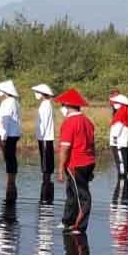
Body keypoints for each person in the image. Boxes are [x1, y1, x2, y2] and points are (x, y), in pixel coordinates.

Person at [55, 88, 96, 234]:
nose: (62, 108)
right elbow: (92, 144)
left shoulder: (69, 122)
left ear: (67, 106)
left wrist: (60, 169)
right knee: (71, 192)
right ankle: (67, 220)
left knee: (82, 196)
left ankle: (79, 227)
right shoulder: (87, 121)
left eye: (63, 105)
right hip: (88, 162)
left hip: (76, 164)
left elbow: (65, 148)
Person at [0, 80, 22, 187]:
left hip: (8, 135)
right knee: (11, 158)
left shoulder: (8, 102)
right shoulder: (14, 102)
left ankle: (10, 181)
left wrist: (2, 137)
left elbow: (5, 121)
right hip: (13, 134)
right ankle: (11, 180)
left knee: (9, 158)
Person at [32, 84, 56, 182]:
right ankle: (47, 182)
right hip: (44, 137)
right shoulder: (46, 104)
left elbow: (44, 122)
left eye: (37, 92)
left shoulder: (46, 105)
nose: (36, 94)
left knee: (46, 163)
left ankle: (46, 184)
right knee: (46, 161)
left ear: (42, 94)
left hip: (45, 137)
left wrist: (41, 135)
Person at [108, 93, 128, 178]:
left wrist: (114, 145)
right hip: (121, 145)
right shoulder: (124, 114)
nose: (114, 105)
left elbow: (115, 134)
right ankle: (123, 186)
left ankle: (122, 187)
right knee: (123, 167)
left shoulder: (121, 116)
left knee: (121, 170)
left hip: (118, 146)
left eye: (116, 103)